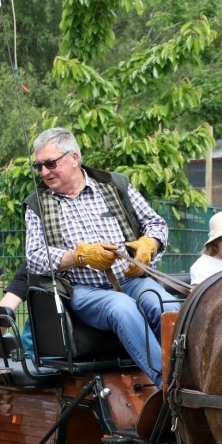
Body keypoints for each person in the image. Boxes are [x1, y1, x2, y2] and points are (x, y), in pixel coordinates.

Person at [23, 127, 178, 385]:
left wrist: (149, 244)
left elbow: (156, 224)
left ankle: (195, 378)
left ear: (74, 158)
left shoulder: (115, 186)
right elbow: (35, 257)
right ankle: (170, 385)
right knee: (122, 308)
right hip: (83, 291)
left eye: (50, 164)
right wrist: (79, 256)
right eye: (38, 166)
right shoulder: (38, 203)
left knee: (167, 306)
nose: (44, 172)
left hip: (131, 279)